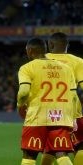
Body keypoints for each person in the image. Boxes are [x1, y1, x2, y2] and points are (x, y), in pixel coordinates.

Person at [17, 37, 77, 165]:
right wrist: (74, 117)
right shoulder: (66, 68)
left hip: (37, 117)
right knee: (61, 154)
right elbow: (74, 96)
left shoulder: (27, 68)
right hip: (61, 117)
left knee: (29, 155)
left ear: (30, 50)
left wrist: (20, 105)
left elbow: (23, 92)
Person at [41, 32, 83, 165]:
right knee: (80, 146)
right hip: (73, 111)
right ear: (67, 45)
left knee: (53, 149)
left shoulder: (39, 61)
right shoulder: (78, 61)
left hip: (47, 112)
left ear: (50, 44)